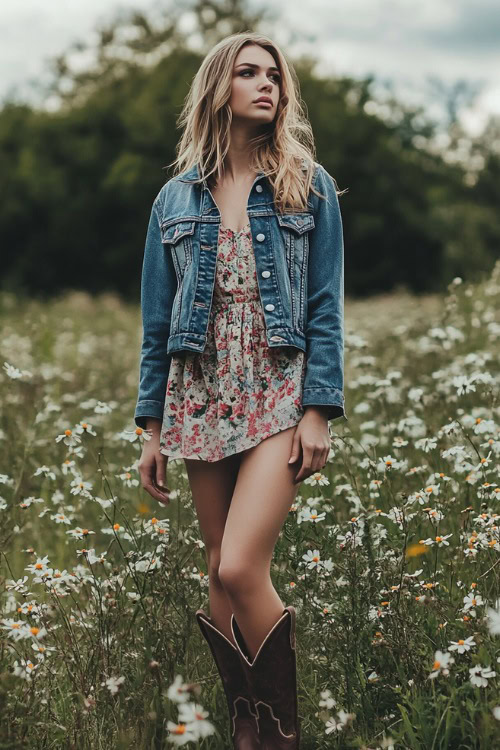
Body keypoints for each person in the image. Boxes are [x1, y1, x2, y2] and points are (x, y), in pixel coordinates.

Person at [135, 30, 347, 749]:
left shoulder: (307, 185)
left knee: (239, 564)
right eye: (249, 73)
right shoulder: (174, 198)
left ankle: (284, 734)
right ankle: (247, 731)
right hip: (199, 395)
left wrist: (319, 409)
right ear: (218, 87)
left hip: (278, 395)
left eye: (275, 77)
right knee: (216, 577)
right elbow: (156, 321)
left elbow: (324, 306)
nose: (267, 85)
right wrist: (151, 426)